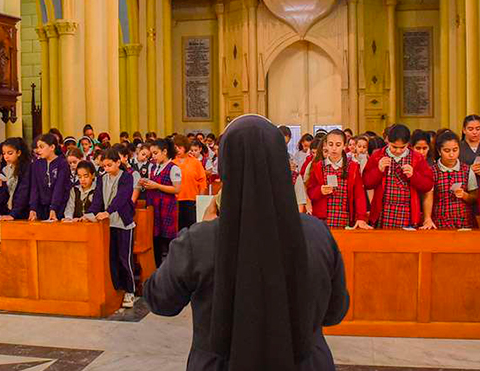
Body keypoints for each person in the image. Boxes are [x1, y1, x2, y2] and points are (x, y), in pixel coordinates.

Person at [144, 114, 349, 371]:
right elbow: (335, 311)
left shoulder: (200, 240)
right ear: (279, 160)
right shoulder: (317, 233)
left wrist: (199, 235)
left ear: (226, 167)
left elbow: (160, 300)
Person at [84, 148, 136, 308]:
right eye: (104, 166)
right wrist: (90, 213)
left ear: (118, 163)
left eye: (109, 165)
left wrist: (107, 212)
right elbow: (98, 199)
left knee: (124, 258)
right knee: (111, 258)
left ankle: (130, 291)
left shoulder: (127, 177)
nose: (106, 169)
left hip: (123, 223)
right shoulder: (102, 178)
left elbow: (122, 198)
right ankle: (117, 288)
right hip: (108, 224)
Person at [363, 124, 434, 229]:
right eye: (394, 147)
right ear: (387, 141)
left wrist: (414, 176)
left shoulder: (417, 158)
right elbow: (367, 183)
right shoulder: (378, 155)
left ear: (408, 144)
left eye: (402, 147)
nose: (398, 151)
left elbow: (428, 185)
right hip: (383, 211)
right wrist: (378, 170)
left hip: (407, 212)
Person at [307, 130, 371, 229]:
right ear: (326, 145)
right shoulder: (318, 166)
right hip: (322, 219)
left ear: (344, 146)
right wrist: (320, 190)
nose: (334, 149)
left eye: (338, 145)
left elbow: (359, 194)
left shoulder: (353, 167)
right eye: (331, 144)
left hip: (345, 218)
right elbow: (310, 192)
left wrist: (361, 217)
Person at [421, 130, 478, 230]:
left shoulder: (467, 170)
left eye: (455, 150)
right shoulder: (432, 171)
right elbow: (428, 197)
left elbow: (474, 197)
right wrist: (427, 218)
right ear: (439, 151)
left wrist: (464, 195)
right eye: (447, 151)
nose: (451, 155)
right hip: (440, 221)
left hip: (464, 222)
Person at [142, 138, 181, 266]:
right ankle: (156, 267)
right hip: (154, 205)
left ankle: (171, 268)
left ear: (164, 152)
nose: (153, 157)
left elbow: (177, 189)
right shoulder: (153, 167)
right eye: (151, 153)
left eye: (155, 153)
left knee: (168, 238)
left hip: (167, 206)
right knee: (155, 238)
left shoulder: (173, 168)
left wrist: (157, 186)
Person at [29, 134, 70, 221]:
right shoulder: (36, 164)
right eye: (38, 147)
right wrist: (33, 208)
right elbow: (34, 187)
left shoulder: (62, 163)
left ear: (52, 147)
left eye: (42, 147)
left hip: (59, 206)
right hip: (41, 207)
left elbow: (60, 187)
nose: (39, 150)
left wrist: (53, 208)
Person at [173, 135, 207, 230]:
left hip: (192, 199)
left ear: (186, 148)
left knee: (192, 227)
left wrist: (200, 199)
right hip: (176, 200)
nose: (177, 150)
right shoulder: (172, 162)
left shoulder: (195, 162)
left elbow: (202, 181)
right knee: (178, 228)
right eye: (175, 148)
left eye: (180, 147)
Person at [0, 138, 32, 221]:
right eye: (4, 154)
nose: (6, 156)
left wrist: (13, 214)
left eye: (10, 153)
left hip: (24, 212)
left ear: (18, 153)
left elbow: (24, 193)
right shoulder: (5, 169)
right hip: (9, 210)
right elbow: (2, 198)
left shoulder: (27, 168)